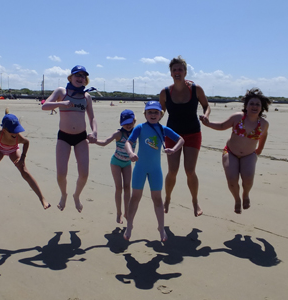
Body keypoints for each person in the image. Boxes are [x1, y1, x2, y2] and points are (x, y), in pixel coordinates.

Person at [200, 88, 270, 214]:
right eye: (251, 104)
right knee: (232, 180)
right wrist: (208, 124)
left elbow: (264, 136)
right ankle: (237, 199)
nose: (254, 106)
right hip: (230, 152)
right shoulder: (238, 118)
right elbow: (222, 126)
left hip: (249, 155)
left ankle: (246, 194)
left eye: (258, 104)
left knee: (248, 179)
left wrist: (259, 150)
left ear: (261, 107)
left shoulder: (264, 124)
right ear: (246, 106)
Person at [124, 101, 184, 242]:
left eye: (156, 112)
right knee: (135, 197)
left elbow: (181, 140)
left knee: (157, 199)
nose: (152, 114)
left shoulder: (163, 129)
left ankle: (161, 228)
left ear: (161, 115)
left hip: (155, 170)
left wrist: (173, 149)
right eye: (149, 112)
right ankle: (129, 225)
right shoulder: (139, 127)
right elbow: (128, 142)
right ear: (145, 114)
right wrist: (131, 153)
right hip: (140, 168)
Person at [159, 55, 211, 217]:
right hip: (172, 135)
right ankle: (167, 199)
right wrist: (152, 119)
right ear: (171, 73)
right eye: (174, 70)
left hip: (193, 133)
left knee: (190, 170)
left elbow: (206, 105)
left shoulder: (196, 89)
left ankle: (195, 202)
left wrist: (206, 115)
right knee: (172, 170)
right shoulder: (165, 92)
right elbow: (161, 111)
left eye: (180, 69)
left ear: (185, 72)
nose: (177, 72)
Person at [42, 65, 97, 212]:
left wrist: (95, 131)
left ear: (86, 80)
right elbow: (45, 106)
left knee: (84, 174)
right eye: (77, 75)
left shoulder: (87, 96)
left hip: (81, 137)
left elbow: (92, 117)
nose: (80, 78)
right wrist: (61, 103)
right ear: (70, 77)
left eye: (83, 76)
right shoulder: (62, 91)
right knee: (61, 174)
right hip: (64, 137)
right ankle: (63, 194)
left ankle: (76, 196)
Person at [0, 109, 50, 210]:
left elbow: (26, 142)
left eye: (17, 130)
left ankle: (42, 198)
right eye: (13, 132)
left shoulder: (18, 137)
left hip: (13, 150)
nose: (16, 134)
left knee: (25, 172)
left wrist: (23, 158)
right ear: (4, 130)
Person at [89, 109, 136, 224]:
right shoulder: (118, 133)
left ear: (134, 121)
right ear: (121, 123)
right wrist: (93, 141)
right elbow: (105, 142)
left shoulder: (136, 132)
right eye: (125, 123)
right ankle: (118, 213)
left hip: (127, 163)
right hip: (116, 162)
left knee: (127, 187)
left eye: (130, 123)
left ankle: (127, 212)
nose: (128, 125)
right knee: (119, 188)